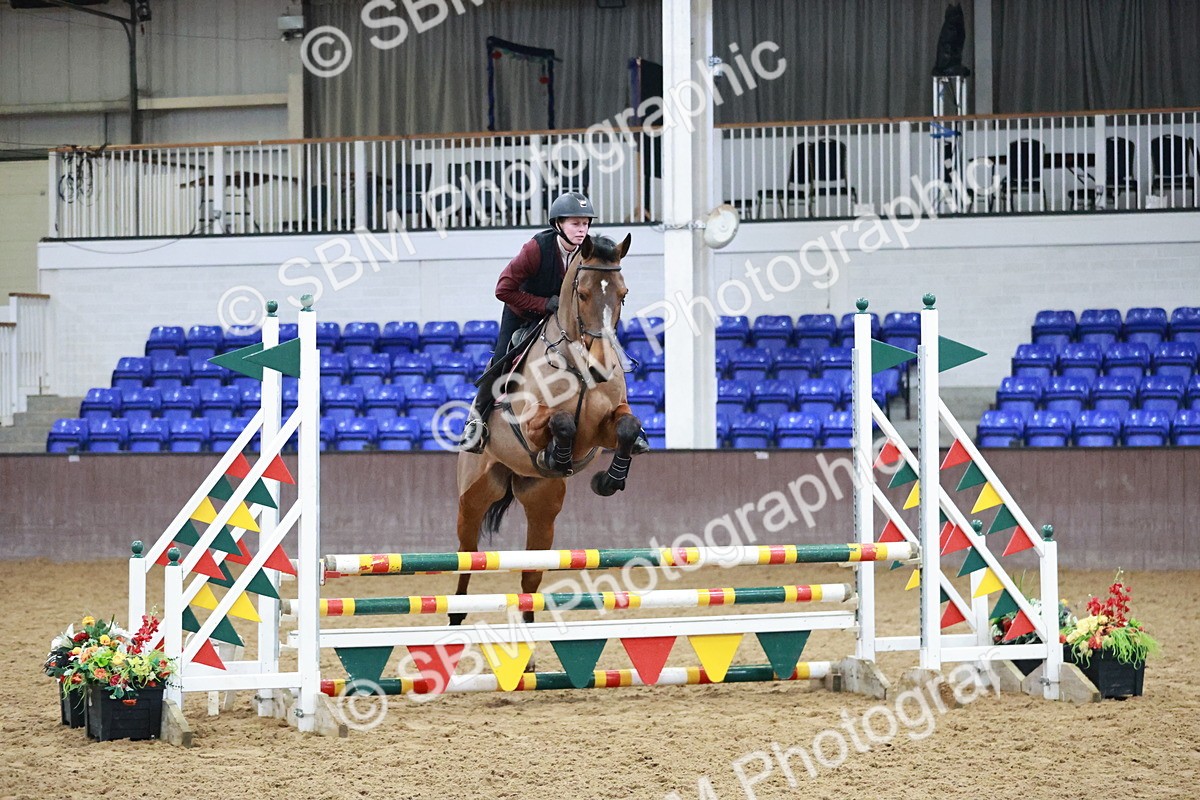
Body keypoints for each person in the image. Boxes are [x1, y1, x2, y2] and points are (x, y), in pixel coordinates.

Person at [459, 191, 647, 455]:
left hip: (565, 318)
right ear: (558, 224)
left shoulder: (589, 252)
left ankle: (624, 418)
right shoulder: (536, 249)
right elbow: (503, 289)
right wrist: (542, 304)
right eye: (575, 224)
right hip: (524, 310)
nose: (582, 230)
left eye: (585, 224)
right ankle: (476, 422)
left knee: (603, 351)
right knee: (501, 360)